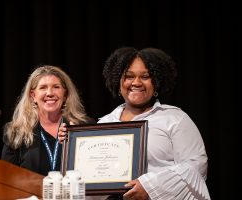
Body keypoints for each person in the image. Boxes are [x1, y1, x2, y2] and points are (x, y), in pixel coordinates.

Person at [59, 47, 211, 200]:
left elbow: (196, 166)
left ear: (156, 82)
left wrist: (150, 186)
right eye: (129, 76)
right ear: (118, 82)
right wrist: (71, 141)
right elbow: (88, 179)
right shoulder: (105, 123)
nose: (136, 83)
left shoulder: (174, 118)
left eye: (145, 76)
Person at [1, 65, 93, 176]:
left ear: (65, 95)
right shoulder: (16, 133)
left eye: (56, 87)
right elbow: (7, 177)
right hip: (31, 193)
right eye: (43, 87)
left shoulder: (83, 127)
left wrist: (77, 139)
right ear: (33, 96)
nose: (49, 93)